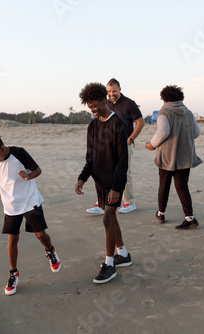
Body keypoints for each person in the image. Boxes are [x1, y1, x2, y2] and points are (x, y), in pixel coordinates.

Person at [0, 132, 61, 296]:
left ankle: (50, 251)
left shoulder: (19, 153)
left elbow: (38, 170)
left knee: (40, 235)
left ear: (2, 149)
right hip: (10, 205)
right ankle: (13, 273)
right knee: (12, 238)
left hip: (30, 200)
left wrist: (28, 176)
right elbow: (1, 178)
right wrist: (1, 191)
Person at [75, 82, 131, 284]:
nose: (93, 110)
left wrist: (117, 187)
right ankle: (122, 254)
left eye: (95, 106)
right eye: (89, 107)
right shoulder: (92, 126)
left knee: (107, 218)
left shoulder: (118, 124)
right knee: (112, 219)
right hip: (99, 182)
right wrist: (82, 177)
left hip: (114, 182)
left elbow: (123, 160)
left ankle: (109, 264)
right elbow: (90, 157)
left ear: (103, 100)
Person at [145, 85, 202, 229]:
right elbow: (196, 132)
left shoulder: (164, 111)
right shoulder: (188, 112)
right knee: (182, 186)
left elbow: (163, 131)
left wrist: (152, 144)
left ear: (164, 99)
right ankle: (190, 218)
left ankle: (161, 213)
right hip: (185, 155)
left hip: (167, 155)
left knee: (164, 185)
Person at [86, 78, 144, 215]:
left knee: (125, 172)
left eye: (114, 91)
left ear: (120, 90)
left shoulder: (129, 104)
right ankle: (101, 203)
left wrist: (131, 138)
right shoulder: (106, 104)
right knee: (104, 172)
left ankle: (129, 202)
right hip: (107, 146)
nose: (111, 94)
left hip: (125, 144)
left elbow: (140, 123)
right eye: (109, 91)